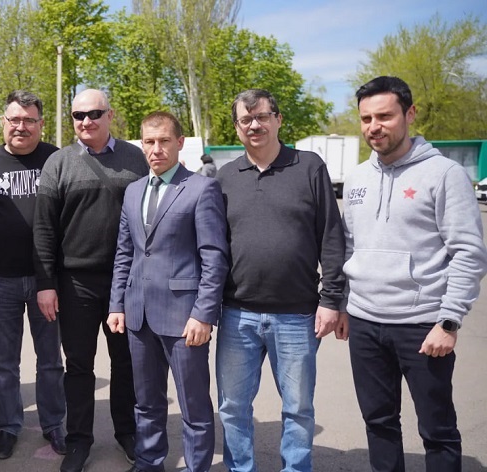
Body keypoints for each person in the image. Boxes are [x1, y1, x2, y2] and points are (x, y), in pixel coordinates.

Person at [340, 76, 487, 472]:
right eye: (366, 118)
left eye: (384, 116)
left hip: (423, 326)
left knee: (437, 429)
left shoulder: (444, 174)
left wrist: (449, 320)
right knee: (378, 423)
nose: (374, 127)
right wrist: (343, 304)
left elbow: (469, 252)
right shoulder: (356, 179)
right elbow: (349, 247)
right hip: (365, 323)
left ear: (410, 114)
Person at [214, 88, 346, 472]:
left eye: (262, 116)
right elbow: (212, 245)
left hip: (297, 314)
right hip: (237, 314)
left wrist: (332, 300)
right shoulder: (225, 177)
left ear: (278, 120)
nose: (254, 125)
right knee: (233, 407)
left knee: (298, 408)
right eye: (246, 119)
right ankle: (240, 468)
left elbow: (331, 237)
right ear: (237, 127)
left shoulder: (309, 167)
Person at [34, 88, 148, 472]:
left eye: (94, 113)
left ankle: (127, 433)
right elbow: (44, 228)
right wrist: (46, 283)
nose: (86, 121)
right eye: (78, 115)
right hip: (75, 283)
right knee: (79, 366)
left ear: (110, 115)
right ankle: (79, 440)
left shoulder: (136, 158)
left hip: (125, 282)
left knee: (125, 363)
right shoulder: (58, 163)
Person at [107, 111, 229, 472]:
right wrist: (117, 304)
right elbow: (125, 253)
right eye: (149, 141)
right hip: (138, 315)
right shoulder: (133, 191)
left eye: (163, 141)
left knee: (194, 407)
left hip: (184, 318)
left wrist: (203, 314)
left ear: (179, 143)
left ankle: (196, 467)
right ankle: (148, 462)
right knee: (146, 403)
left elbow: (214, 257)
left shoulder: (201, 188)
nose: (156, 149)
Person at [0, 90, 67, 460]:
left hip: (45, 281)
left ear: (41, 123)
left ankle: (54, 424)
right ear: (3, 122)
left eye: (29, 120)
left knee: (50, 359)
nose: (21, 126)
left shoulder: (56, 159)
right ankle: (9, 425)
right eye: (14, 119)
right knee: (3, 362)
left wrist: (56, 278)